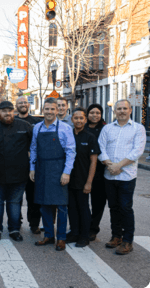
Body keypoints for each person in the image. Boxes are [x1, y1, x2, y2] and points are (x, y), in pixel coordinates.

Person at [98, 99, 146, 255]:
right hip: (109, 175)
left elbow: (137, 151)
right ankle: (116, 236)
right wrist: (110, 165)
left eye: (125, 108)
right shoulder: (107, 129)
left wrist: (118, 166)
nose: (122, 111)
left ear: (130, 110)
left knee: (125, 208)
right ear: (114, 111)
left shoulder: (138, 129)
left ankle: (127, 241)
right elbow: (101, 147)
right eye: (119, 108)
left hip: (127, 176)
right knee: (113, 207)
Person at [30, 98, 76, 251]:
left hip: (59, 169)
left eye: (52, 109)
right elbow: (34, 149)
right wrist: (32, 168)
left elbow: (70, 152)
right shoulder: (37, 127)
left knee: (61, 206)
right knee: (44, 205)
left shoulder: (65, 128)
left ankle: (61, 238)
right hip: (42, 169)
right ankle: (49, 235)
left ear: (57, 111)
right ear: (43, 110)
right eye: (47, 109)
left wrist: (66, 172)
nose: (49, 112)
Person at [0, 101, 33, 242]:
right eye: (4, 110)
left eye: (10, 110)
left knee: (15, 203)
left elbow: (34, 147)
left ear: (14, 111)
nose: (7, 113)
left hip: (19, 174)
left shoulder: (24, 126)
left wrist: (32, 166)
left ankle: (14, 230)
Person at [66, 108, 100, 247]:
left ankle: (84, 236)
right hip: (69, 179)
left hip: (83, 179)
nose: (78, 120)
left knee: (83, 208)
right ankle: (74, 232)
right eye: (76, 118)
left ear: (85, 120)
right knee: (72, 208)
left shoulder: (90, 137)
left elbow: (93, 161)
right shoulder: (68, 135)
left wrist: (89, 182)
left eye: (81, 118)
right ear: (72, 119)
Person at [15, 96, 43, 234]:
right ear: (16, 105)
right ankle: (17, 222)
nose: (23, 104)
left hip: (33, 167)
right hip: (18, 167)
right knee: (16, 198)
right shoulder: (12, 122)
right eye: (20, 103)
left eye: (25, 102)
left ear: (29, 105)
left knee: (33, 197)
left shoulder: (37, 122)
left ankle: (34, 224)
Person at [84, 104, 106, 241]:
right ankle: (83, 225)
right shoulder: (82, 128)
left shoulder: (105, 129)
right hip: (82, 170)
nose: (95, 115)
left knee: (98, 203)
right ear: (88, 114)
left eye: (98, 113)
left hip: (100, 171)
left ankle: (93, 228)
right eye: (92, 112)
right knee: (82, 202)